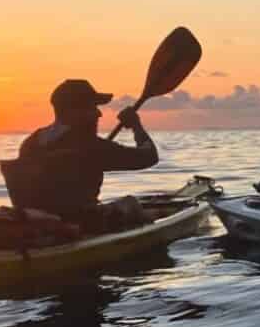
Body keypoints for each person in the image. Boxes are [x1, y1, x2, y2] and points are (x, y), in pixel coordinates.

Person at [8, 79, 158, 230]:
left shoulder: (30, 143)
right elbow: (149, 157)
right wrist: (136, 125)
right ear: (74, 111)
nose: (99, 114)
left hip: (35, 224)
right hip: (83, 223)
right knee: (131, 203)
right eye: (92, 107)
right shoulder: (91, 145)